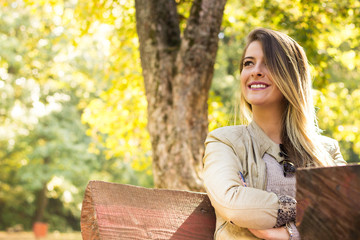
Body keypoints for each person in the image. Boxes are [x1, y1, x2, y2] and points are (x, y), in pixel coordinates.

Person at [202, 28, 346, 240]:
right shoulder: (225, 142)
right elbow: (233, 204)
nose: (255, 71)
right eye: (248, 63)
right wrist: (307, 208)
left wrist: (289, 235)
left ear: (292, 76)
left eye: (268, 63)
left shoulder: (327, 151)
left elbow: (347, 216)